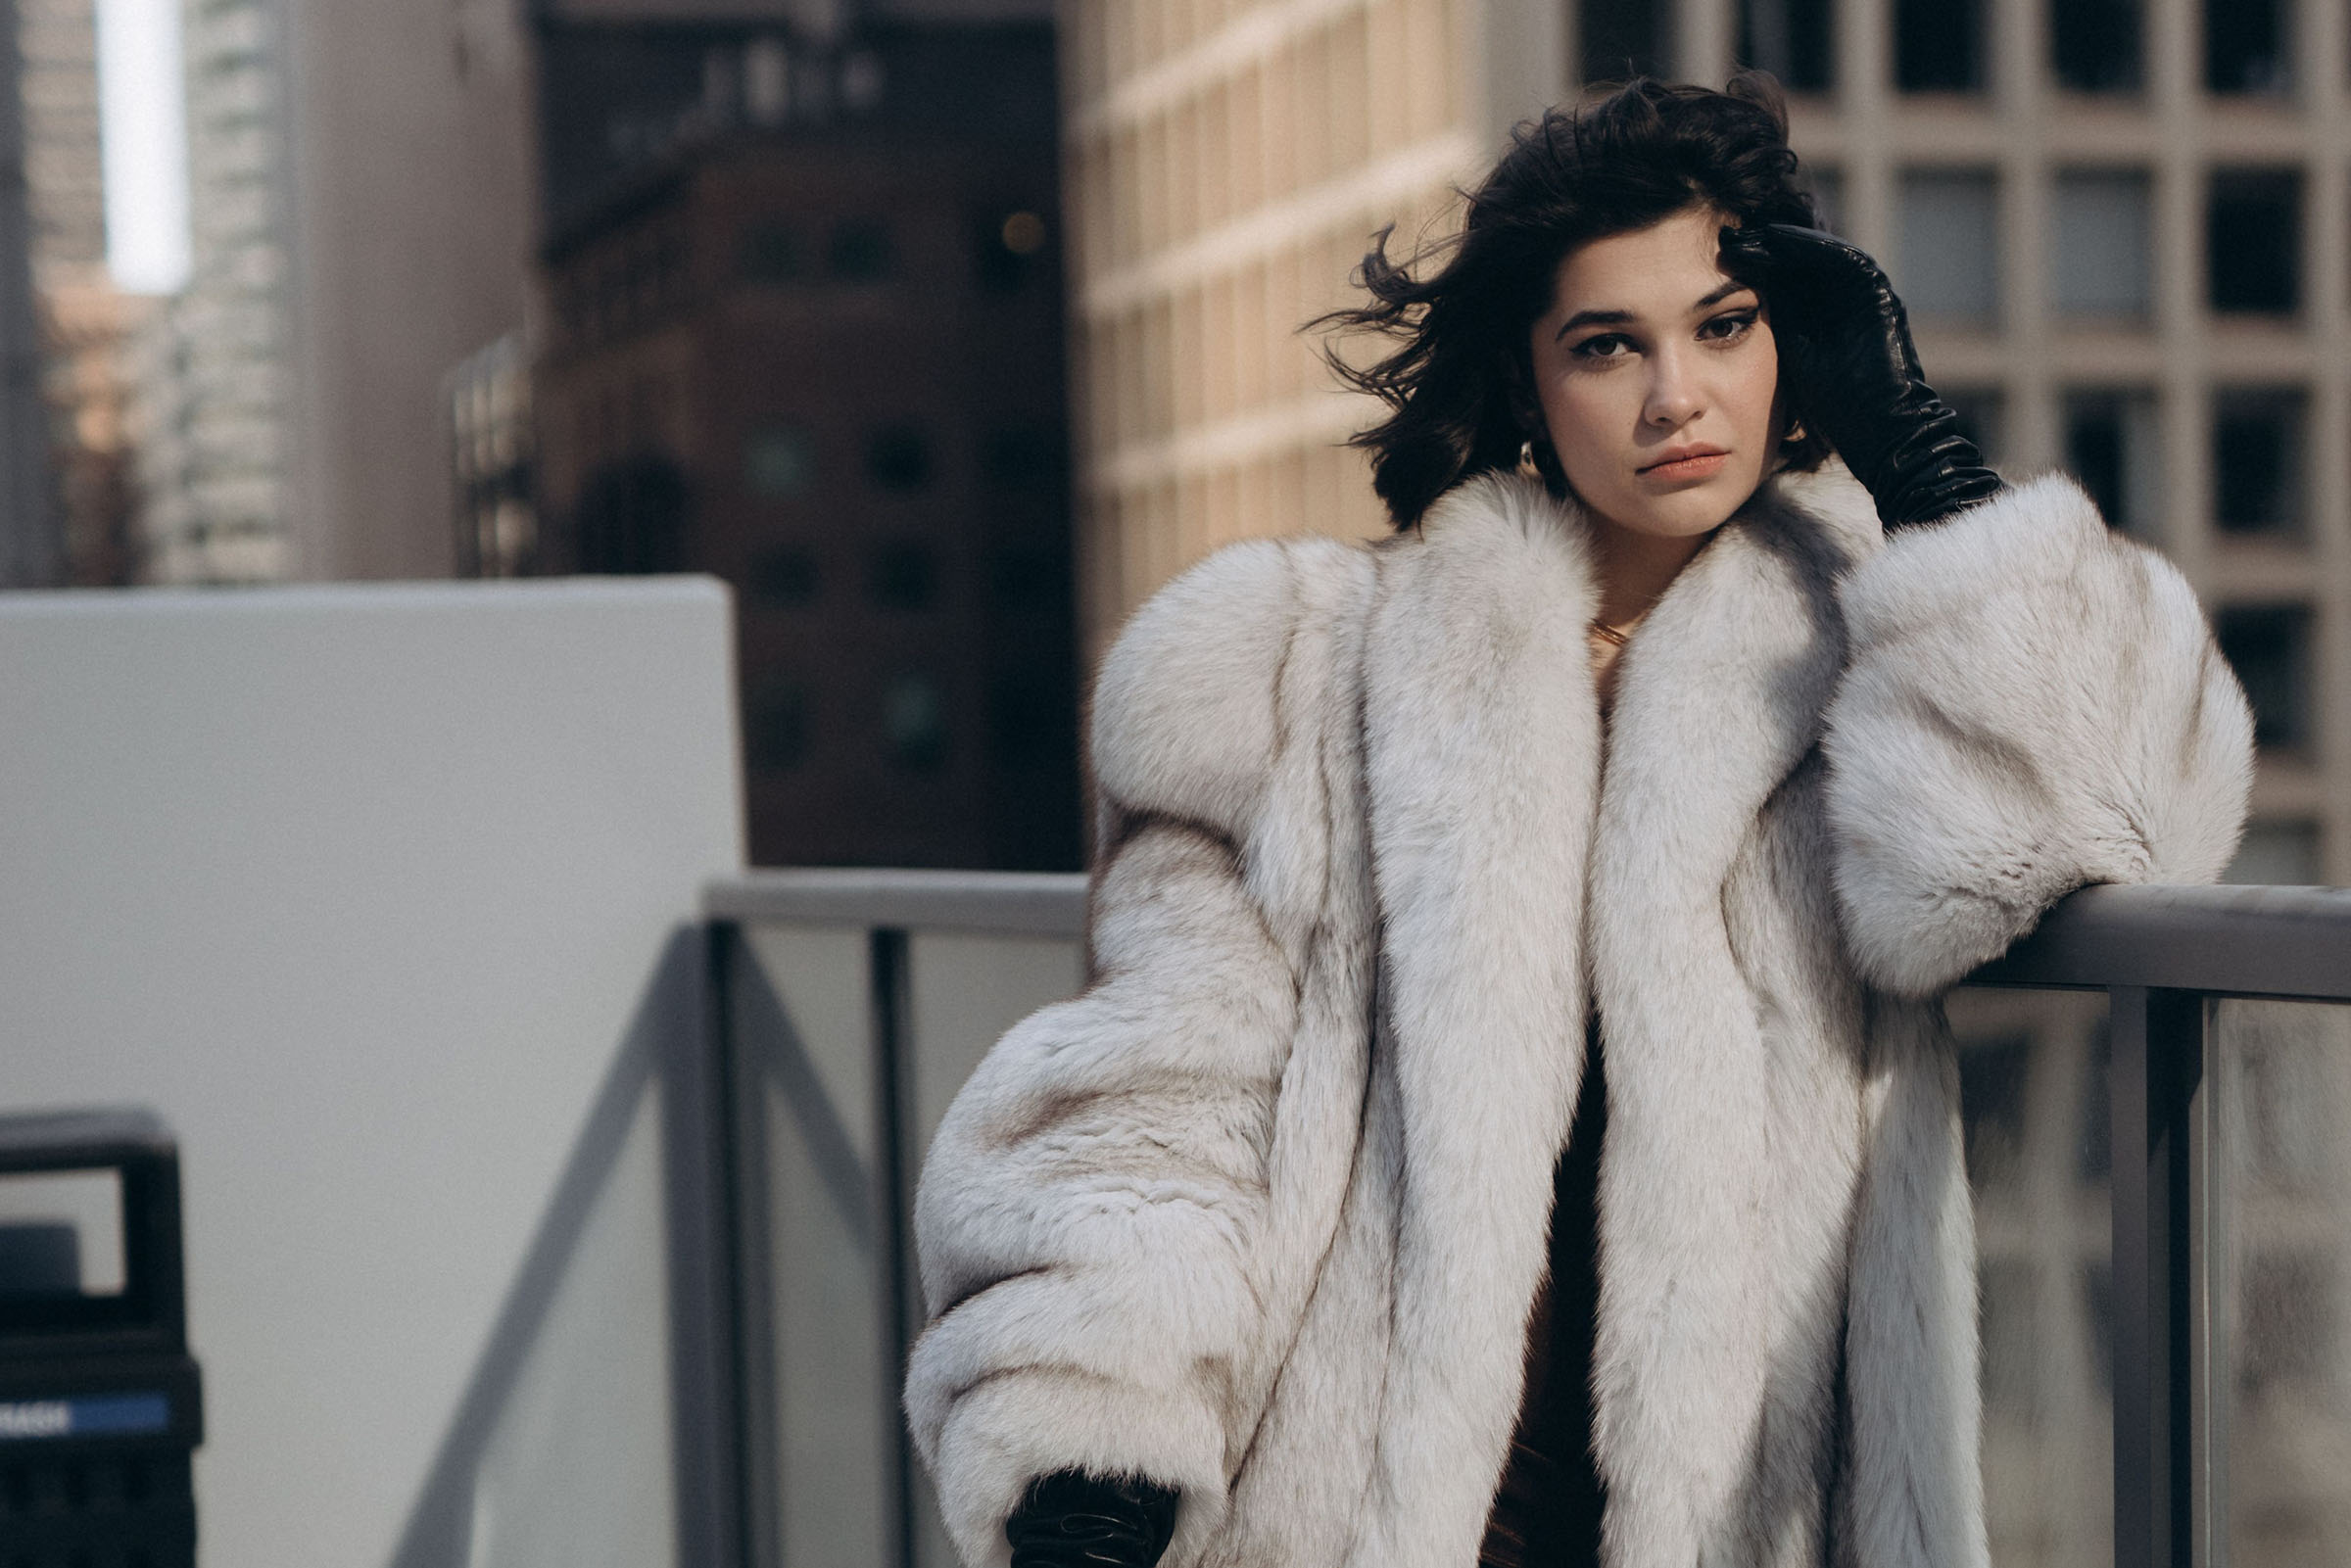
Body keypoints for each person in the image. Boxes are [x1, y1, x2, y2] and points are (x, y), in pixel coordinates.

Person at [905, 75, 2252, 1568]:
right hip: (1361, 1514)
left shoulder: (1877, 672)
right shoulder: (1297, 681)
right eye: (1608, 346)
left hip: (1754, 1515)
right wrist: (1095, 1476)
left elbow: (2119, 825)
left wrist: (1924, 459)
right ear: (1530, 385)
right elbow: (1161, 1106)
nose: (1675, 396)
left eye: (1724, 326)